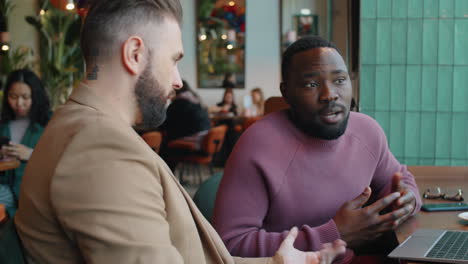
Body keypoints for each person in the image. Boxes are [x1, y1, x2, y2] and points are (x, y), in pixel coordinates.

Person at [14, 2, 345, 264]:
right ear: (134, 55)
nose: (176, 80)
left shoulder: (85, 128)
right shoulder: (101, 149)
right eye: (173, 61)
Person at [213, 36, 422, 264]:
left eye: (340, 80)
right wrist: (334, 234)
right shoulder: (257, 145)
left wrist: (407, 199)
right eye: (311, 84)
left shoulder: (367, 131)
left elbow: (401, 179)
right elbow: (228, 244)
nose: (329, 94)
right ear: (286, 92)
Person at [0, 69, 50, 217]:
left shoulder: (49, 123)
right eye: (13, 96)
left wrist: (31, 154)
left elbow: (62, 160)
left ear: (36, 96)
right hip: (6, 188)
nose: (19, 103)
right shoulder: (3, 123)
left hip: (33, 192)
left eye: (25, 97)